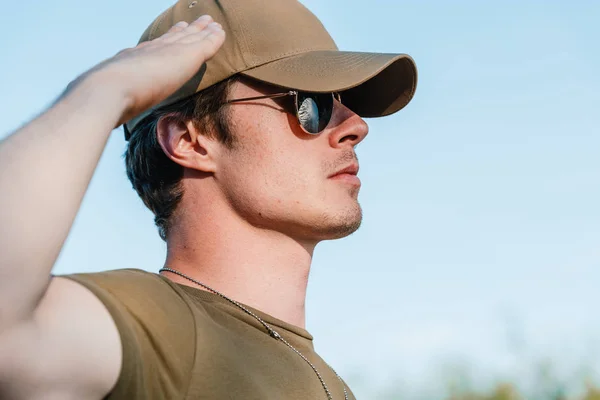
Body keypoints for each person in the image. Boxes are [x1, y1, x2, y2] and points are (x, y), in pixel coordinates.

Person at [0, 0, 417, 398]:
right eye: (312, 104)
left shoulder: (328, 379)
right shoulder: (164, 328)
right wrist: (103, 90)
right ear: (189, 141)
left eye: (347, 103)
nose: (356, 126)